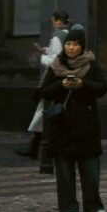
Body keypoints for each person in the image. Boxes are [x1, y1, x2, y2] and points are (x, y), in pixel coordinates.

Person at [39, 27, 107, 212]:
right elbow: (43, 91)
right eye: (68, 43)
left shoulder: (91, 66)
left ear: (82, 46)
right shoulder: (56, 66)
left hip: (86, 126)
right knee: (64, 171)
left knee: (91, 169)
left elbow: (103, 87)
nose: (71, 48)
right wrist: (61, 85)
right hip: (62, 126)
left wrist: (82, 84)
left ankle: (93, 205)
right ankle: (68, 207)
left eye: (75, 44)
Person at [17, 10, 71, 158]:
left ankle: (40, 150)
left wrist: (42, 57)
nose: (53, 24)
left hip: (54, 82)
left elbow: (55, 62)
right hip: (63, 81)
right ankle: (36, 148)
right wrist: (48, 51)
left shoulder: (57, 38)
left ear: (59, 22)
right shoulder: (69, 35)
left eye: (53, 21)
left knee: (45, 115)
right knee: (44, 117)